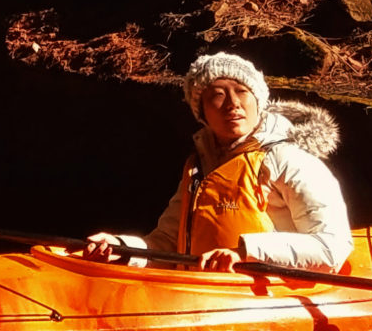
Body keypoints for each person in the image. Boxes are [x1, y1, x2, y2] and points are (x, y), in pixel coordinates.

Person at [88, 52, 352, 272]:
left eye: (241, 91)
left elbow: (332, 248)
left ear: (258, 103)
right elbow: (167, 243)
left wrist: (244, 253)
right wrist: (121, 248)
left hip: (264, 294)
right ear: (201, 110)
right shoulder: (199, 166)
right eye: (218, 94)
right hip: (200, 292)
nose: (233, 104)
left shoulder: (290, 159)